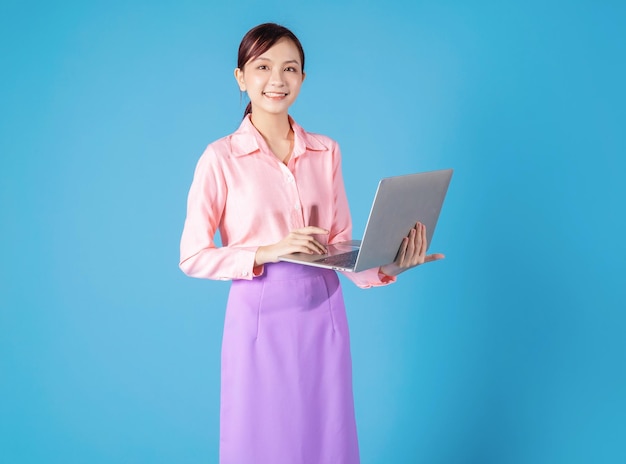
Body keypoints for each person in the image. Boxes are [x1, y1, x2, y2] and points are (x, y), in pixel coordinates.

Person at [179, 22, 444, 464]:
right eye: (262, 67)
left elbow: (339, 247)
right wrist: (270, 250)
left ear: (303, 78)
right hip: (259, 319)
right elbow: (192, 256)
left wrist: (391, 264)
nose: (277, 80)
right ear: (241, 77)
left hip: (325, 315)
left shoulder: (326, 152)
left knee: (327, 439)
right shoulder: (220, 159)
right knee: (261, 440)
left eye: (290, 68)